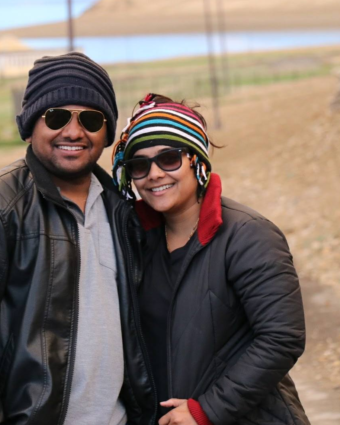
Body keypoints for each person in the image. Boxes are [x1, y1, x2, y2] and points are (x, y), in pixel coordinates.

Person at [0, 53, 156, 425]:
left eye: (91, 120)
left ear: (106, 132)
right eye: (57, 117)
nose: (74, 132)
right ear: (31, 124)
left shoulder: (122, 210)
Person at [112, 93, 310, 425]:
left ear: (196, 160)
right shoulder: (135, 242)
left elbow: (282, 338)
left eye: (169, 159)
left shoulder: (248, 235)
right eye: (140, 165)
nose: (154, 174)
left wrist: (207, 410)